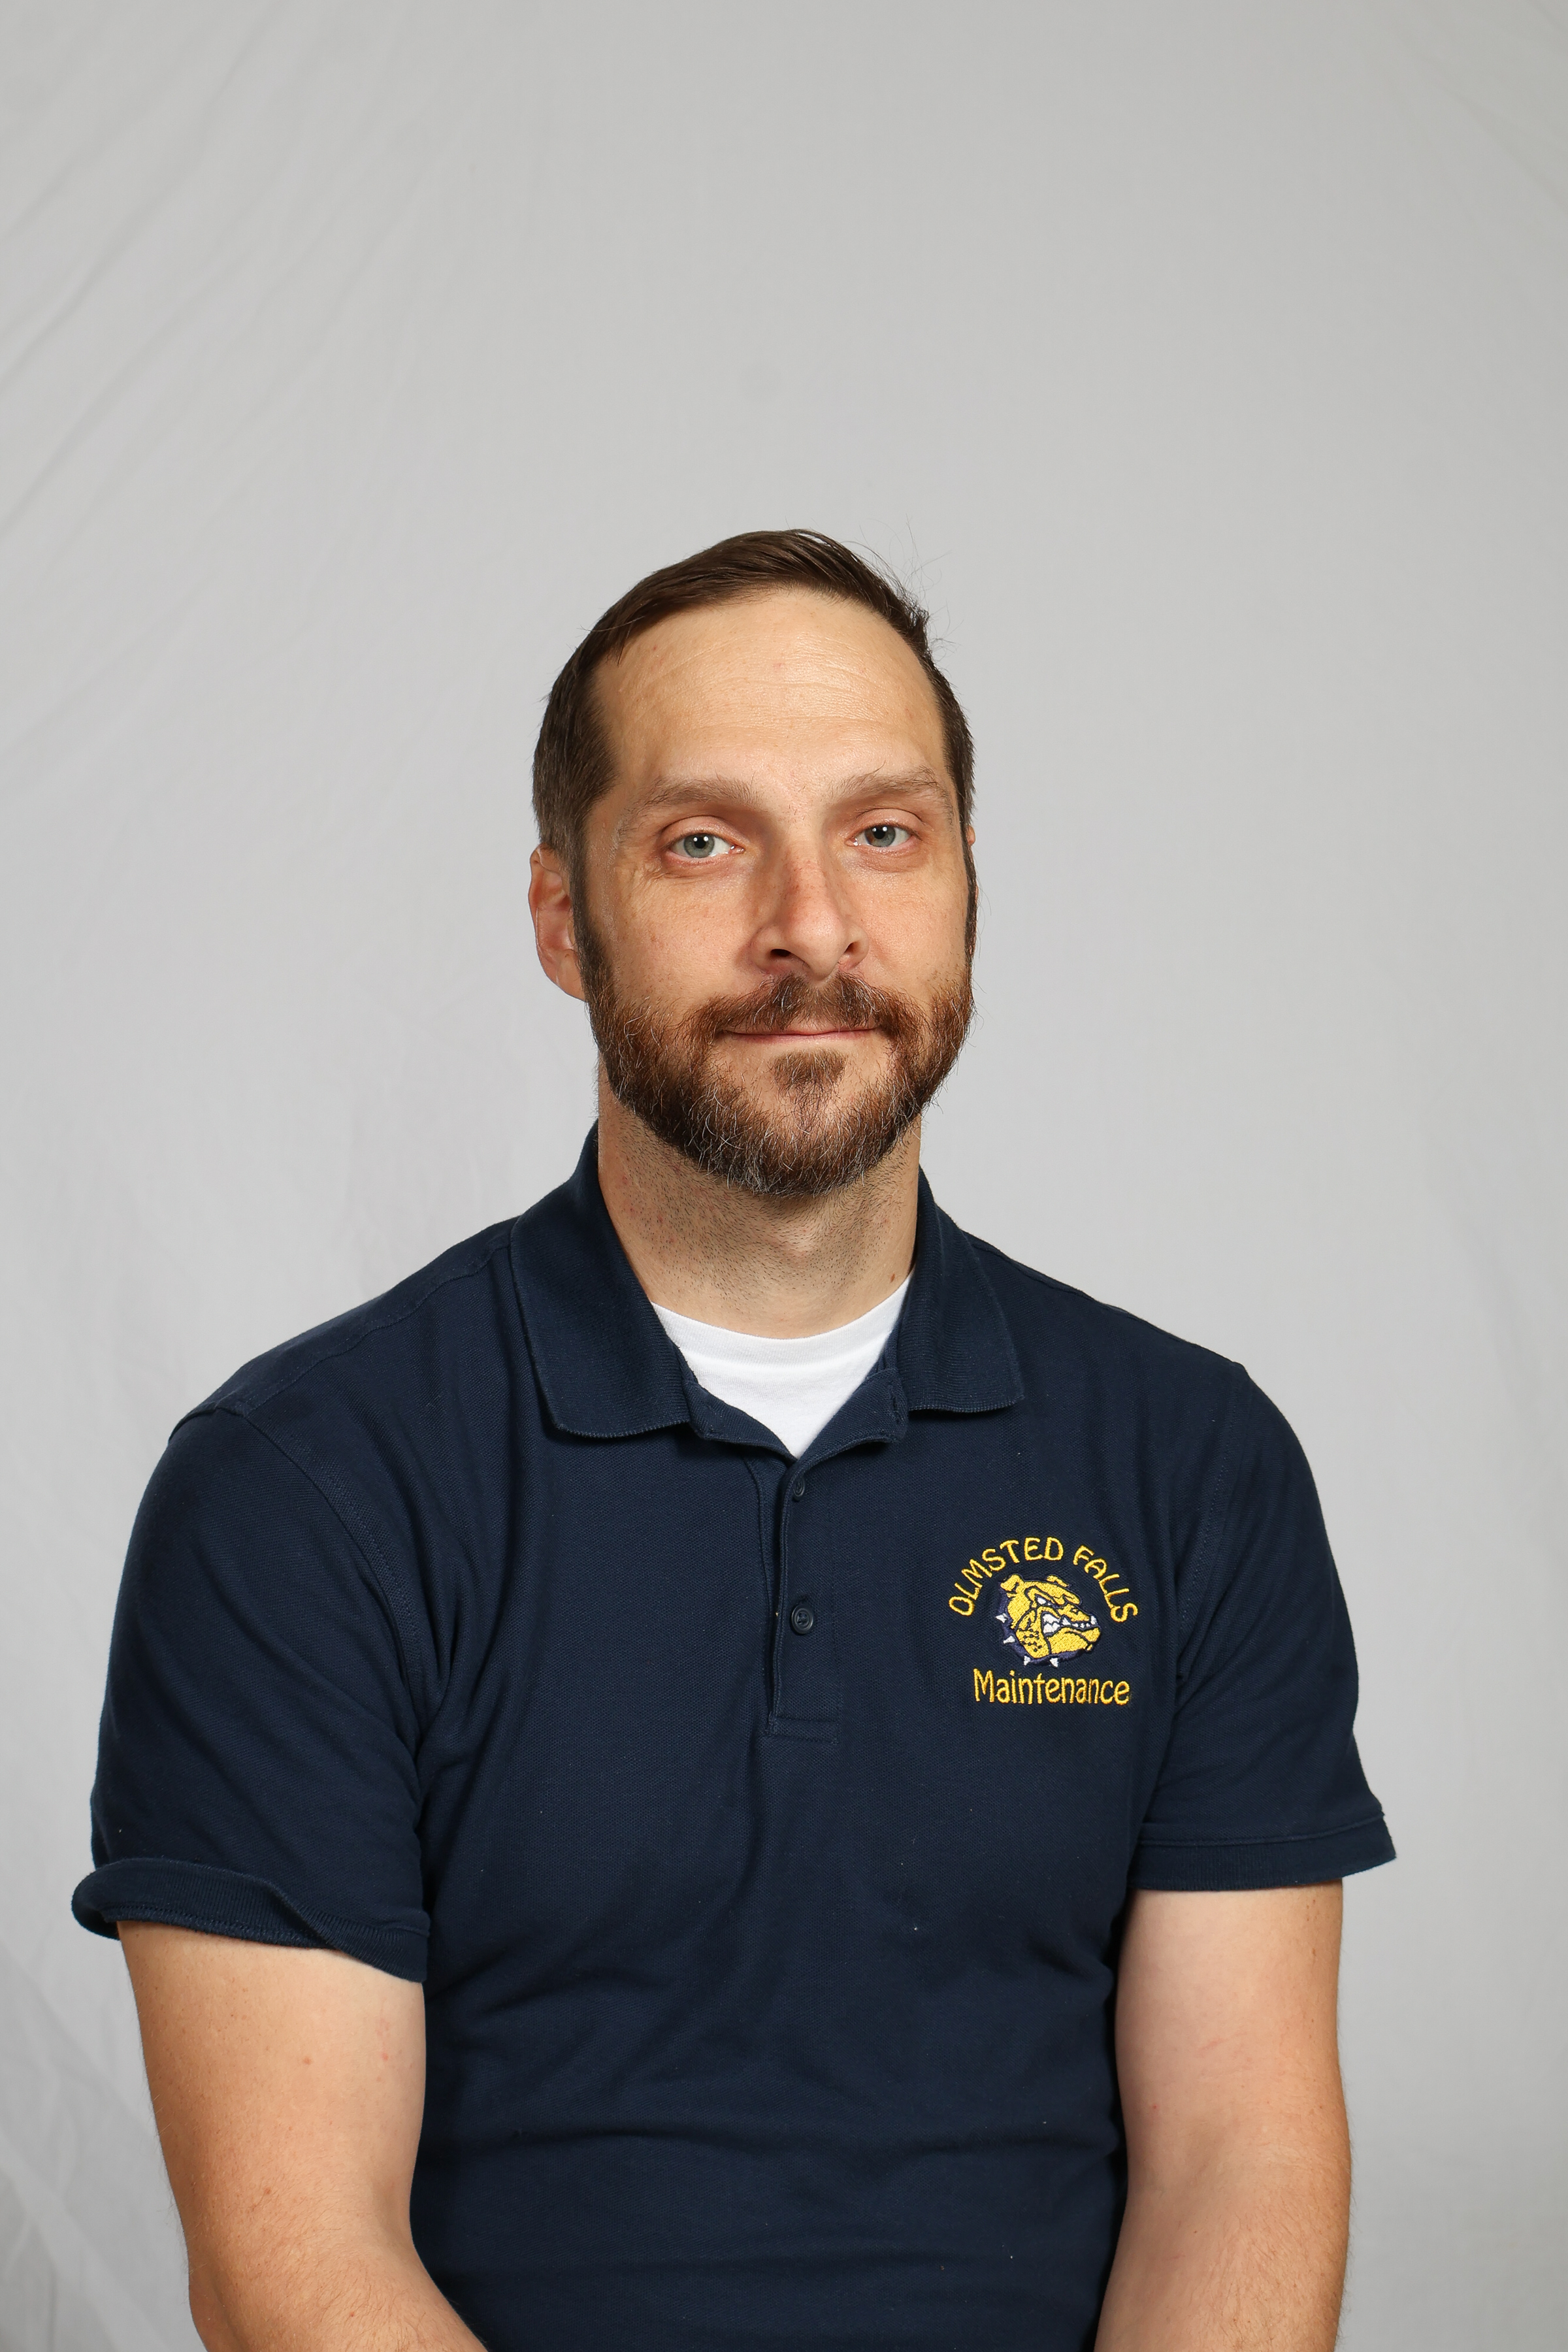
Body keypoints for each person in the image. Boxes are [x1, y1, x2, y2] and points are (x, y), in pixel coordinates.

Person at [75, 529, 1393, 2352]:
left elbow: (1240, 2165)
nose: (813, 928)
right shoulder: (303, 1489)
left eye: (884, 832)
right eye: (705, 842)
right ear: (565, 920)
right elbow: (293, 2260)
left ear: (966, 884)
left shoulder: (1192, 1465)